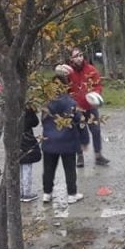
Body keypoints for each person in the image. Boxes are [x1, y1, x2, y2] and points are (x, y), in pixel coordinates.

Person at [41, 65, 84, 204]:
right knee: (70, 169)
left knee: (48, 170)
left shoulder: (46, 103)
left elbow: (42, 120)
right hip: (67, 141)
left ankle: (47, 193)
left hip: (49, 140)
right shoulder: (71, 102)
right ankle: (72, 194)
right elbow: (78, 119)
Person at [67, 47, 110, 167]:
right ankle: (80, 157)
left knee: (96, 130)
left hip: (90, 107)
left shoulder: (91, 70)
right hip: (76, 108)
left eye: (81, 55)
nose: (79, 58)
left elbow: (98, 85)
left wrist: (95, 95)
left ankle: (98, 156)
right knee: (78, 132)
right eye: (76, 56)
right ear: (72, 58)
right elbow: (65, 89)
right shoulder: (68, 72)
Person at [20, 103, 42, 202]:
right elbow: (35, 122)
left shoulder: (8, 105)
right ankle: (26, 193)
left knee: (18, 168)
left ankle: (19, 192)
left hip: (13, 139)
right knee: (26, 167)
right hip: (26, 140)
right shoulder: (27, 108)